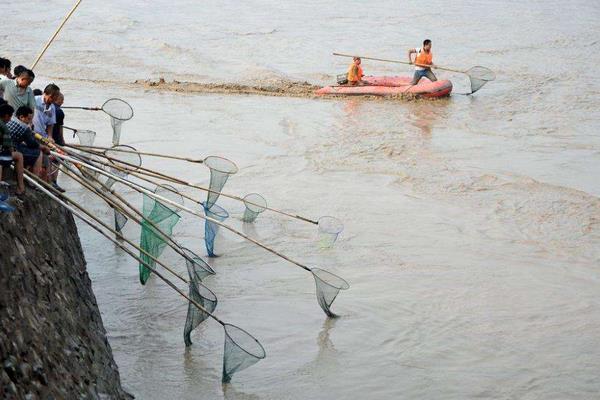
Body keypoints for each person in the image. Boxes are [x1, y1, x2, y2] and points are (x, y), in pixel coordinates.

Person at [7, 106, 48, 180]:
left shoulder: (11, 118)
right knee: (38, 152)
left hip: (11, 146)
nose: (29, 122)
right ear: (21, 117)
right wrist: (44, 147)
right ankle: (34, 180)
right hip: (11, 149)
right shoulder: (24, 127)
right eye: (28, 119)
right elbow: (32, 144)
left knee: (24, 147)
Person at [0, 103, 25, 195]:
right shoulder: (4, 126)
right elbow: (8, 145)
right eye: (10, 117)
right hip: (1, 154)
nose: (10, 119)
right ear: (6, 116)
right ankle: (21, 186)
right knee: (19, 156)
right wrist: (12, 150)